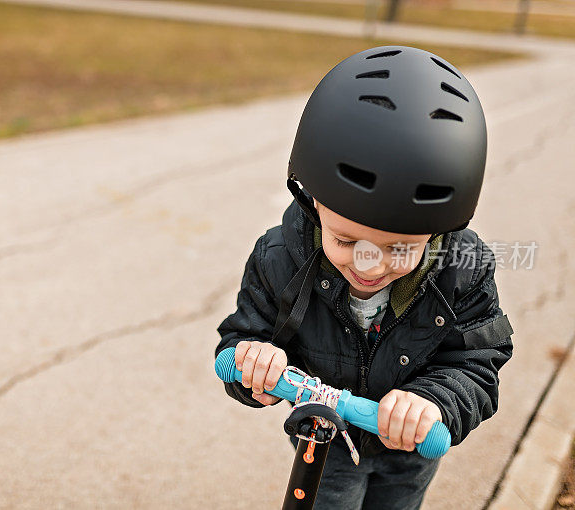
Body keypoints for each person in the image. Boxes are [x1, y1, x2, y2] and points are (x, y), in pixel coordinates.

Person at [214, 46, 514, 510]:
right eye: (346, 240)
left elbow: (478, 361)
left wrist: (433, 401)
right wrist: (254, 363)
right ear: (312, 200)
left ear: (440, 229)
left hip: (407, 450)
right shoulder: (279, 257)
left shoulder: (463, 270)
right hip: (325, 444)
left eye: (400, 249)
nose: (369, 266)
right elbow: (242, 339)